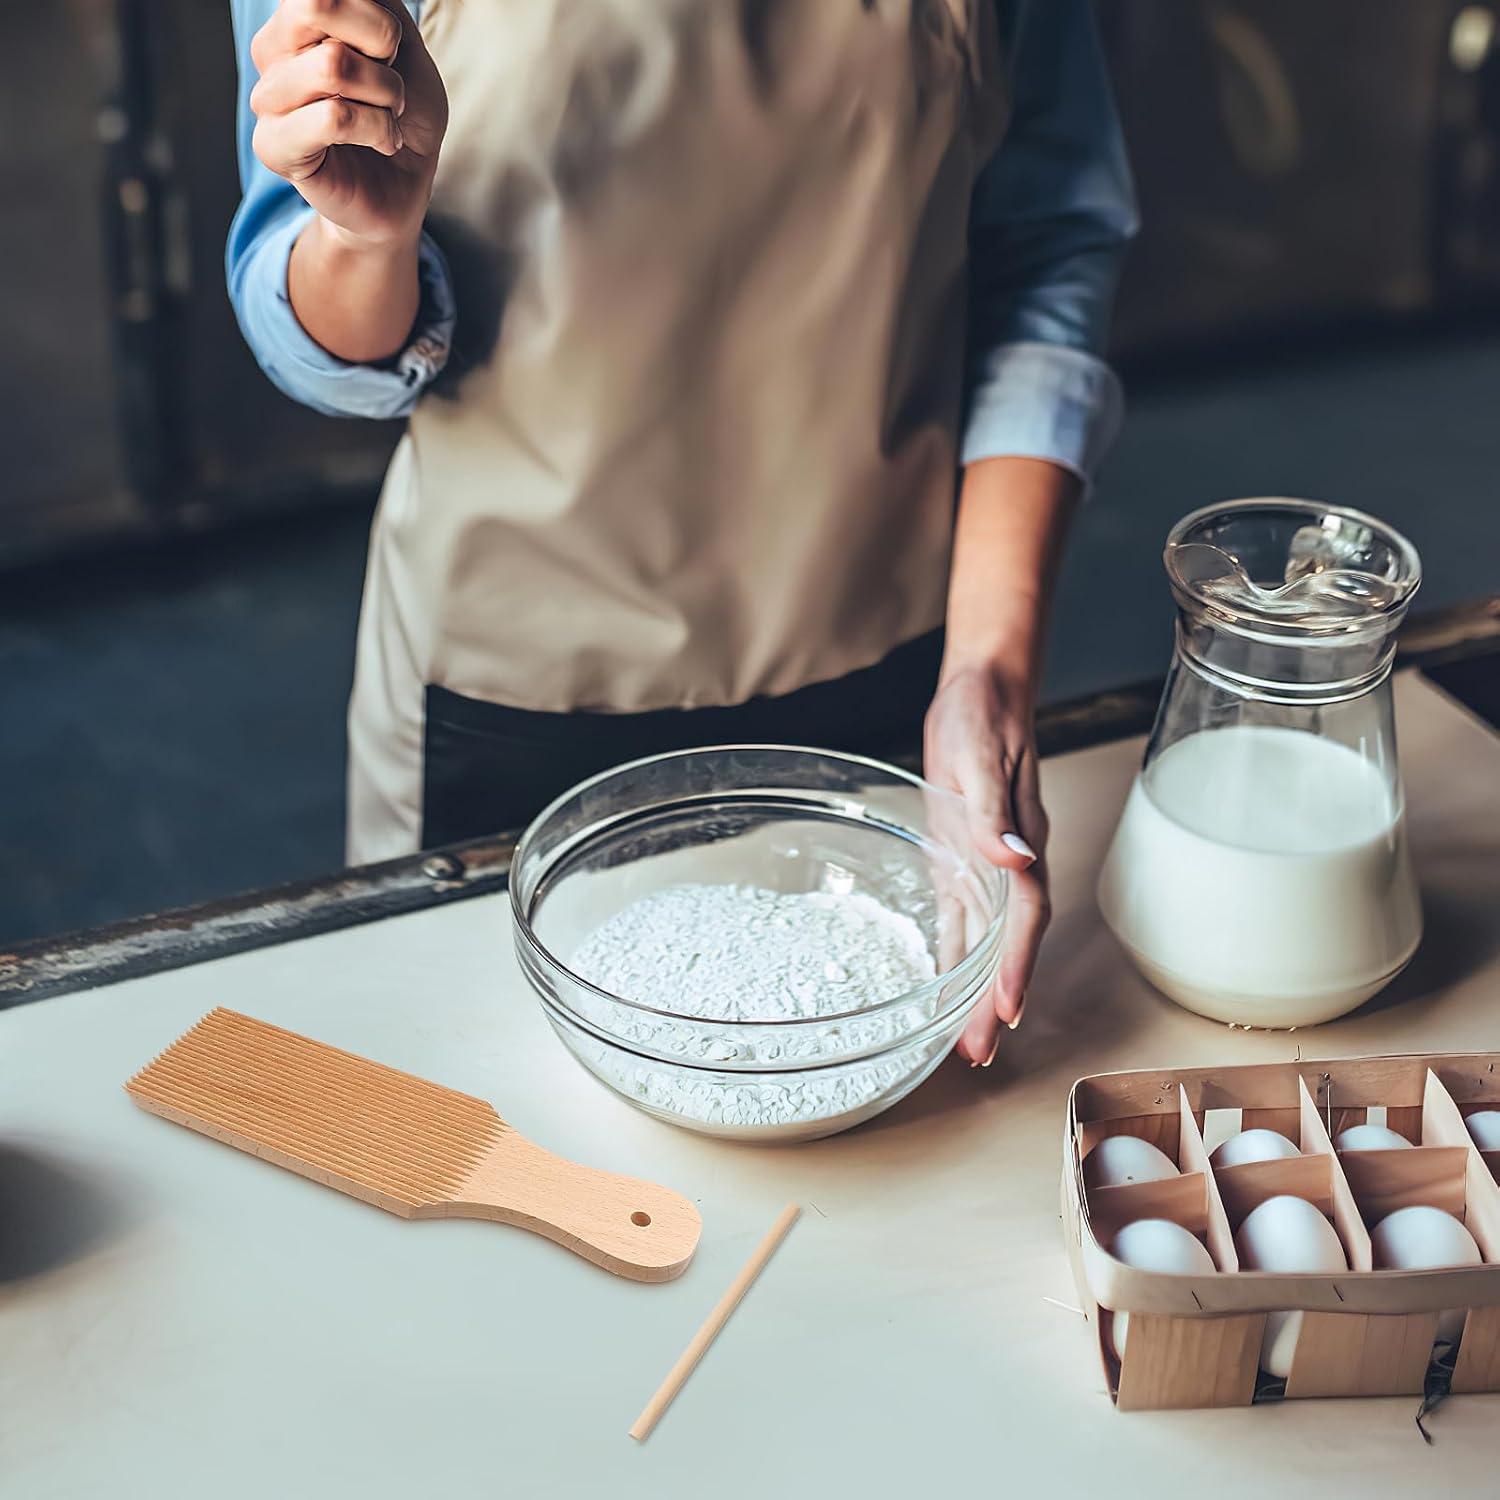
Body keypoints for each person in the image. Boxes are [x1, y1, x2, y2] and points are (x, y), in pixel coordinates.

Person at [228, 0, 1137, 1066]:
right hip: (502, 688)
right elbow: (312, 330)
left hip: (894, 663)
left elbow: (1043, 254)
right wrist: (363, 240)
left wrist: (988, 668)